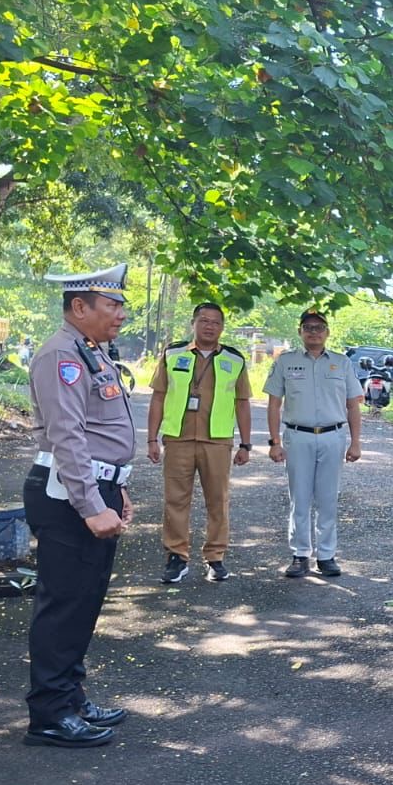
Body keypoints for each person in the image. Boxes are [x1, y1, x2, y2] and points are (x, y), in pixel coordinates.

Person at [21, 263, 136, 748]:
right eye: (112, 306)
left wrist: (117, 487)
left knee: (85, 602)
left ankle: (70, 697)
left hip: (92, 487)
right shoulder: (60, 356)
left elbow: (100, 431)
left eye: (121, 306)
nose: (120, 315)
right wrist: (91, 504)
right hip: (69, 495)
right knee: (64, 604)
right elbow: (67, 436)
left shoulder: (89, 352)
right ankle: (49, 714)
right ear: (79, 307)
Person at [146, 303, 253, 584]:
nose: (209, 326)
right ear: (193, 323)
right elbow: (158, 397)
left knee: (218, 501)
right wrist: (151, 438)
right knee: (175, 500)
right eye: (203, 321)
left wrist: (246, 444)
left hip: (217, 441)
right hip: (178, 439)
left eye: (215, 322)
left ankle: (215, 557)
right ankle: (176, 556)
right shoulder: (173, 354)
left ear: (222, 327)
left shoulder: (235, 359)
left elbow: (242, 403)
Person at [264, 310, 363, 578]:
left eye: (319, 327)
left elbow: (353, 404)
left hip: (333, 436)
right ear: (300, 332)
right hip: (298, 436)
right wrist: (274, 442)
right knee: (300, 498)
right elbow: (274, 404)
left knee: (328, 498)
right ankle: (300, 554)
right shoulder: (286, 362)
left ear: (327, 332)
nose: (314, 332)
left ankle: (327, 555)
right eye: (308, 327)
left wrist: (355, 442)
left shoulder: (342, 363)